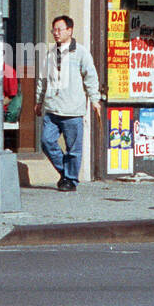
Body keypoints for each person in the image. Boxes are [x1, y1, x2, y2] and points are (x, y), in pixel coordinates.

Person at [35, 14, 101, 191]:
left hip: (72, 110)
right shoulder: (50, 54)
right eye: (53, 30)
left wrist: (95, 100)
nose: (56, 33)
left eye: (59, 30)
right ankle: (66, 173)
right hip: (52, 108)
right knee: (46, 141)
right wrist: (39, 101)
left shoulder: (80, 53)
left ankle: (70, 180)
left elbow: (91, 77)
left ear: (69, 31)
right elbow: (42, 79)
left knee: (73, 149)